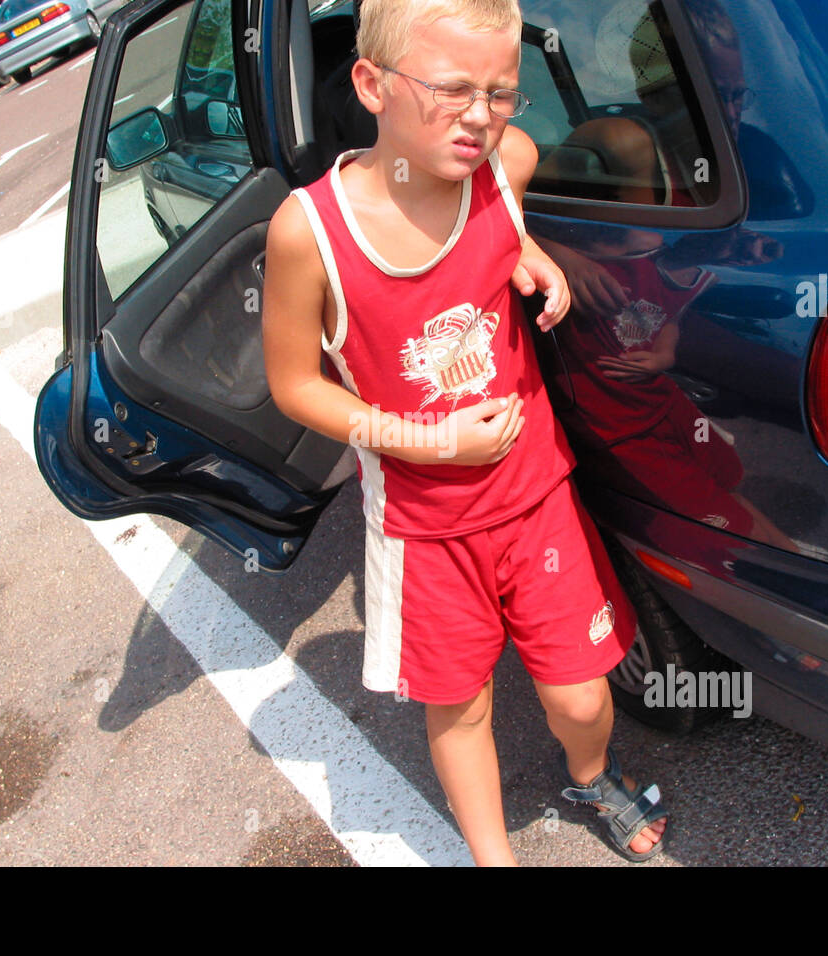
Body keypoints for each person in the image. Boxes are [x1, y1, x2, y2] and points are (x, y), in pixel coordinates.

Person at [261, 0, 668, 866]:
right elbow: (295, 384)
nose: (480, 117)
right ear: (371, 85)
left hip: (535, 498)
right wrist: (426, 440)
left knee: (584, 700)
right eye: (451, 91)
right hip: (423, 526)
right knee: (461, 705)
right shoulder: (311, 233)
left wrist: (521, 244)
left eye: (501, 93)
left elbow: (507, 187)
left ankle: (592, 772)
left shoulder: (499, 165)